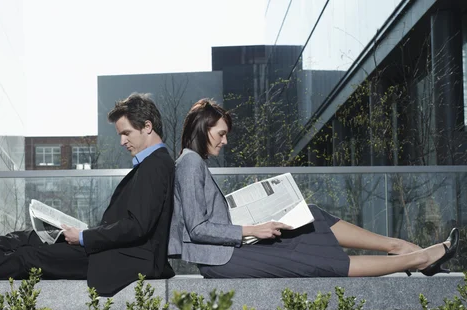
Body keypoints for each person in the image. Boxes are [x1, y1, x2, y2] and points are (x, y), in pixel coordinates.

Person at [0, 93, 175, 296]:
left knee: (27, 257)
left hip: (119, 260)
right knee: (23, 239)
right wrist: (82, 233)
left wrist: (83, 236)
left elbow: (137, 226)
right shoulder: (151, 164)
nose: (122, 141)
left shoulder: (156, 164)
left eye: (126, 133)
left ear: (147, 127)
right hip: (108, 251)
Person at [168, 98, 459, 278]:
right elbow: (197, 229)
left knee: (312, 215)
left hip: (228, 253)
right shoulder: (190, 163)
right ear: (203, 129)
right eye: (221, 134)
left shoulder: (192, 162)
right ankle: (418, 258)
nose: (224, 141)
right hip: (223, 260)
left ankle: (400, 247)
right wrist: (251, 230)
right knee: (316, 259)